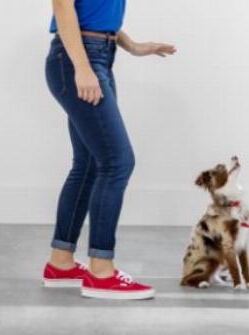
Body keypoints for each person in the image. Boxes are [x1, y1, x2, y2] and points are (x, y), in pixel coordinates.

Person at [41, 0, 176, 300]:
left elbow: (96, 12)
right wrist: (82, 67)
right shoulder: (79, 62)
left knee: (88, 164)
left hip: (99, 55)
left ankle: (60, 263)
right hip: (78, 58)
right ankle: (101, 271)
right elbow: (63, 6)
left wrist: (132, 45)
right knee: (117, 162)